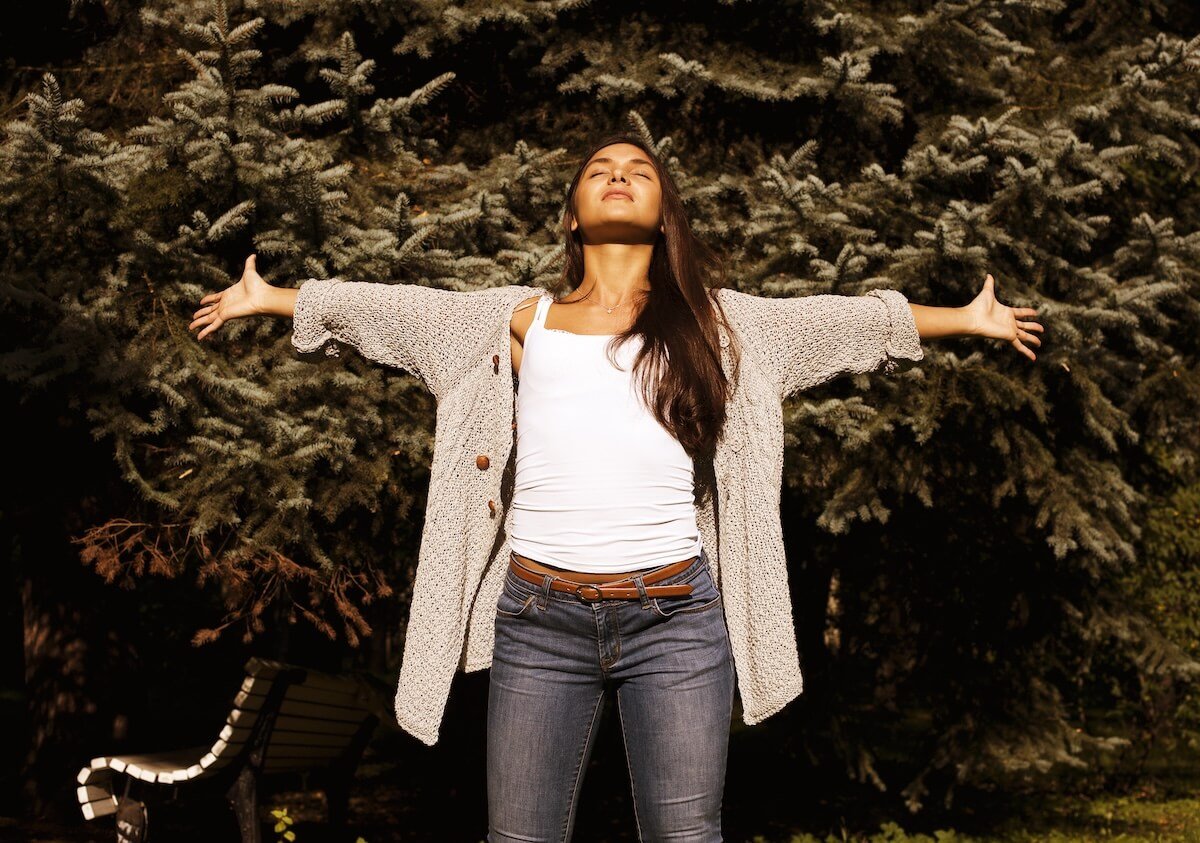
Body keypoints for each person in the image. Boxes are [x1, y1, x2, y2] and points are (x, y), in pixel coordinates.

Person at [190, 132, 1043, 842]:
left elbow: (846, 319)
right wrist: (273, 300)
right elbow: (393, 309)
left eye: (639, 171)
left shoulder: (722, 325)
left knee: (685, 836)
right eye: (600, 170)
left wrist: (965, 318)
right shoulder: (516, 323)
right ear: (573, 215)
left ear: (663, 213)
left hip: (677, 617)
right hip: (537, 619)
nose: (619, 176)